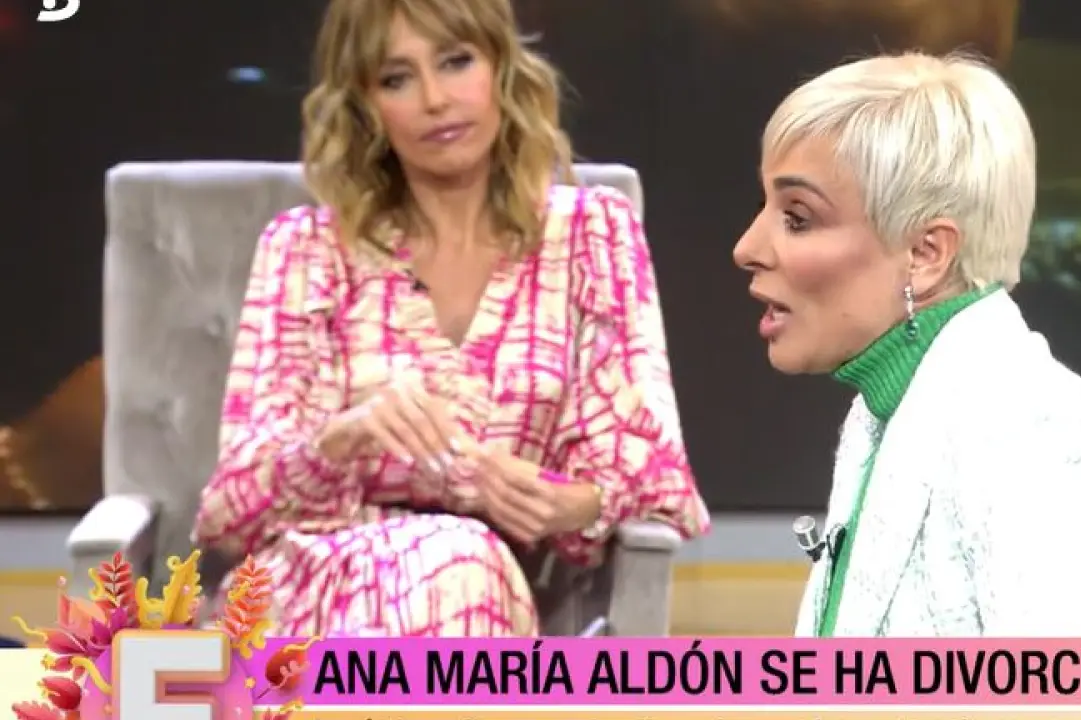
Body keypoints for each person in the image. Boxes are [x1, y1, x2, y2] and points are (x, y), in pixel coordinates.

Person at [192, 0, 709, 637]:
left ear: (501, 69)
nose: (435, 99)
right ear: (367, 106)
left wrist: (566, 505)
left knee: (462, 565)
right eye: (397, 78)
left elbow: (650, 470)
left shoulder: (590, 234)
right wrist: (341, 438)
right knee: (458, 565)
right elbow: (230, 509)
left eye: (456, 62)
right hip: (315, 587)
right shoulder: (307, 249)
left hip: (490, 588)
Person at [734, 52, 1081, 637]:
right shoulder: (888, 410)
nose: (747, 247)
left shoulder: (1025, 424)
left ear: (925, 253)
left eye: (797, 217)